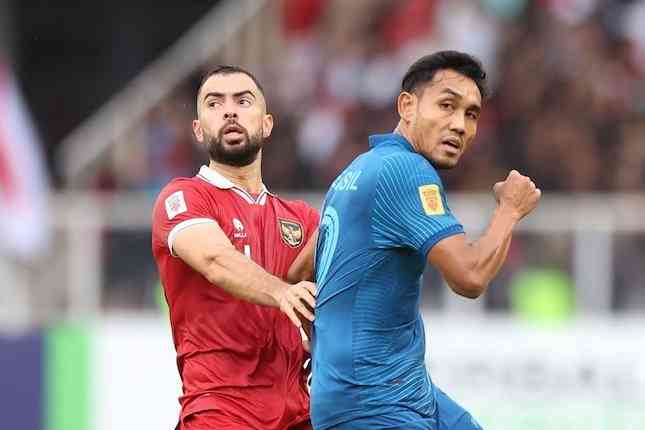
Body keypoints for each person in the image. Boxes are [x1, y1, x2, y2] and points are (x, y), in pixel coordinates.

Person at [308, 51, 541, 429]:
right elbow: (469, 277)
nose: (460, 125)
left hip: (400, 391)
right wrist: (509, 210)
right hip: (373, 404)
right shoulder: (407, 171)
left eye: (471, 114)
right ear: (407, 105)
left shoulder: (358, 169)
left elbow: (303, 267)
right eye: (447, 105)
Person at [151, 65, 318, 430]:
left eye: (243, 101)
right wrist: (283, 292)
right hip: (220, 411)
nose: (229, 110)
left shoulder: (304, 219)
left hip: (299, 414)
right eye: (214, 103)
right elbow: (215, 259)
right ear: (198, 129)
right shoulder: (182, 197)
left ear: (267, 124)